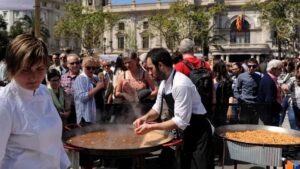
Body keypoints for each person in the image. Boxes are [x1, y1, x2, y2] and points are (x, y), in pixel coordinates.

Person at [133, 48, 214, 169]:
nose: (149, 73)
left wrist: (151, 127)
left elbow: (180, 121)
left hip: (199, 133)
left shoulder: (181, 84)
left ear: (160, 65)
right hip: (186, 133)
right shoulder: (164, 84)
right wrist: (144, 118)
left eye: (150, 68)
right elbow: (157, 108)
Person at [0, 34, 70, 168]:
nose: (33, 77)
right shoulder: (4, 103)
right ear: (12, 68)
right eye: (25, 69)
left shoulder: (43, 91)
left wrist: (65, 165)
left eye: (39, 69)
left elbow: (54, 141)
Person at [73, 56, 106, 125]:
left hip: (98, 115)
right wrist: (97, 88)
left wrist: (103, 84)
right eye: (88, 68)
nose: (91, 70)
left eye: (93, 68)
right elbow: (83, 98)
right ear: (83, 67)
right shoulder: (80, 79)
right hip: (86, 118)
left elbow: (99, 93)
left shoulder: (95, 77)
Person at [233, 58, 262, 124]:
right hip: (244, 105)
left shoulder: (259, 76)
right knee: (244, 126)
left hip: (255, 106)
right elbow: (236, 90)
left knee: (254, 126)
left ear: (256, 67)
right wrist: (240, 99)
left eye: (254, 66)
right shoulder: (241, 76)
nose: (251, 68)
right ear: (247, 66)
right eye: (249, 66)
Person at [258, 59, 283, 126]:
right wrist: (279, 108)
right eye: (280, 68)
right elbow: (269, 100)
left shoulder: (271, 78)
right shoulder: (268, 80)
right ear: (273, 69)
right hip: (270, 115)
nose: (281, 71)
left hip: (272, 113)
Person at [60, 53, 81, 124]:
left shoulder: (84, 77)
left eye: (77, 63)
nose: (75, 65)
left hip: (81, 110)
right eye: (72, 63)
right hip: (67, 111)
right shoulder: (62, 78)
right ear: (67, 65)